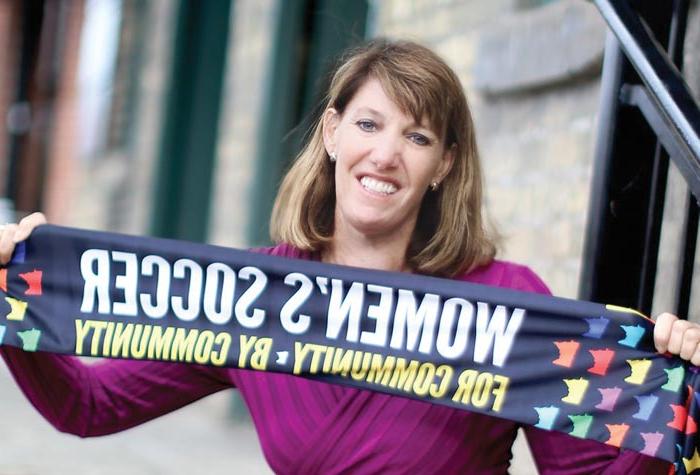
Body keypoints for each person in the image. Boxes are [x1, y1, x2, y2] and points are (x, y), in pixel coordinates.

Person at [0, 39, 697, 474]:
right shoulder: (249, 297)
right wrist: (13, 300)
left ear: (445, 164)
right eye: (368, 124)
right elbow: (88, 405)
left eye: (418, 137)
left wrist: (674, 397)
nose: (386, 154)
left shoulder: (507, 303)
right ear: (333, 133)